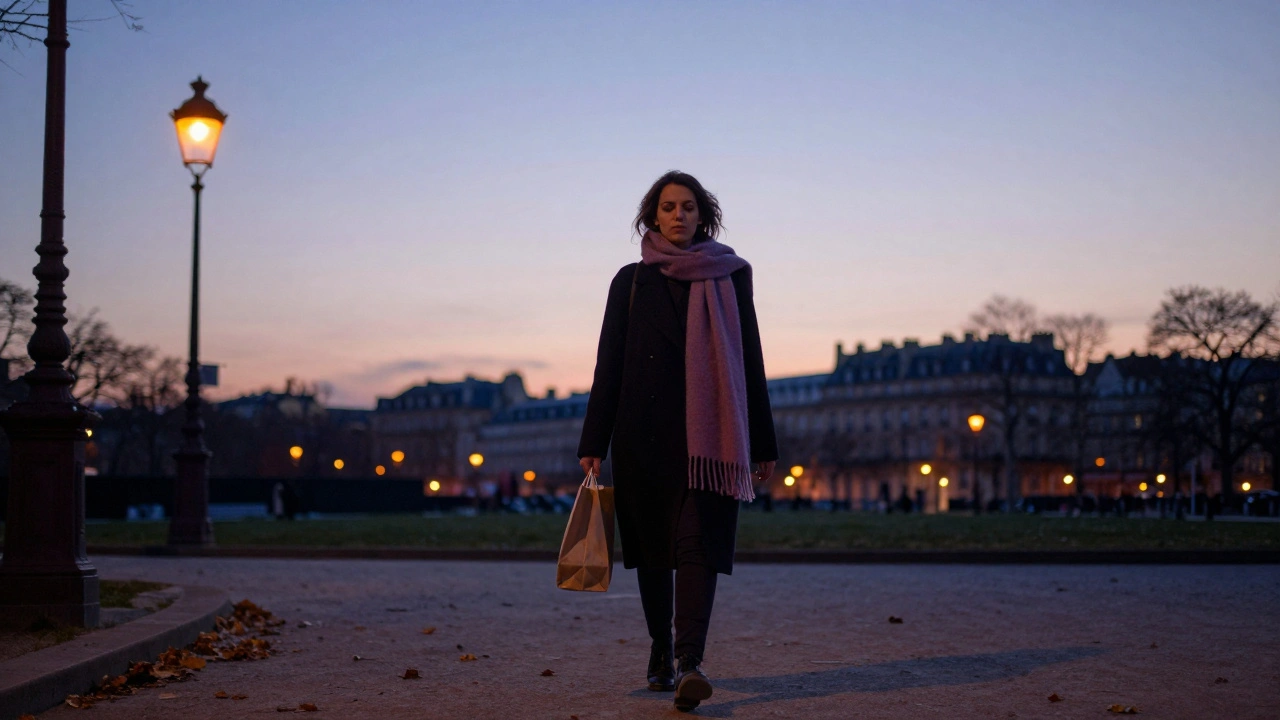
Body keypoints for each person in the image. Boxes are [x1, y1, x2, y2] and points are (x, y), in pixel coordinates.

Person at [578, 171, 777, 713]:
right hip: (642, 435)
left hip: (710, 442)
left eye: (688, 207)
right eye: (668, 207)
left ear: (703, 214)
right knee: (653, 556)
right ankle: (660, 649)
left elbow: (749, 360)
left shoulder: (731, 277)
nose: (678, 215)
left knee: (697, 548)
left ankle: (691, 662)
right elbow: (609, 365)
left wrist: (762, 441)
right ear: (652, 216)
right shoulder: (631, 281)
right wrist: (594, 439)